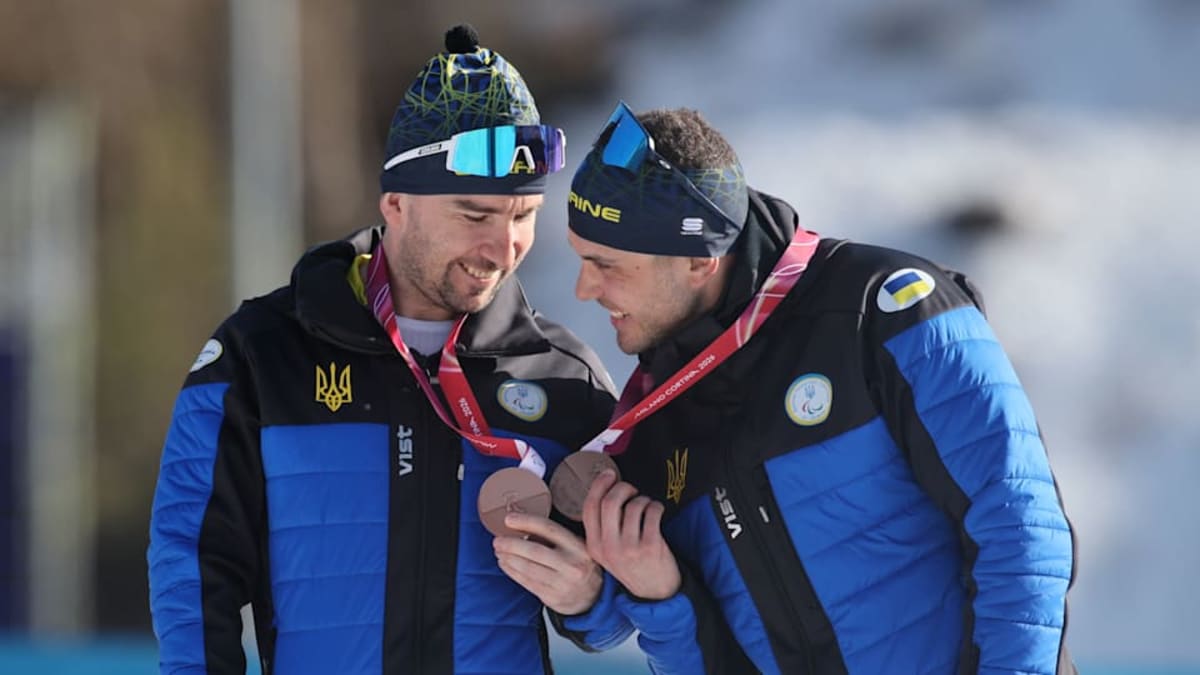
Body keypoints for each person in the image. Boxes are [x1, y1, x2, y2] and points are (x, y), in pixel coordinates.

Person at [501, 102, 1079, 674]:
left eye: (608, 263)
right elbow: (640, 633)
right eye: (581, 259)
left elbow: (1020, 532)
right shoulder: (656, 417)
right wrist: (617, 596)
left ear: (700, 260)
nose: (583, 289)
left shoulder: (887, 310)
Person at [147, 25, 617, 675]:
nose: (503, 247)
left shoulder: (567, 379)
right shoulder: (258, 355)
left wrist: (591, 597)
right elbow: (192, 565)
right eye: (476, 215)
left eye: (524, 215)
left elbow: (624, 605)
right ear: (397, 203)